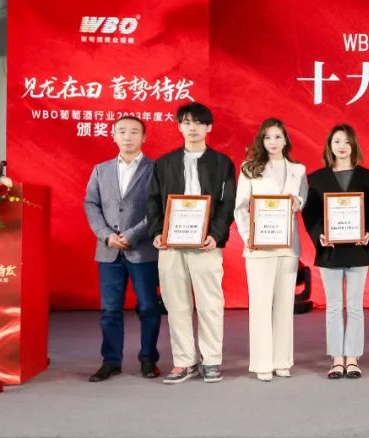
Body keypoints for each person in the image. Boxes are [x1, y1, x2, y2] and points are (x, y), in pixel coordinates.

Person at [146, 102, 236, 384]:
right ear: (179, 127)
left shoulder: (222, 162)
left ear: (209, 127)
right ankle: (184, 362)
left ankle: (211, 360)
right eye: (186, 122)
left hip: (207, 243)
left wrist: (216, 235)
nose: (192, 127)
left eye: (198, 122)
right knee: (176, 304)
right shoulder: (163, 163)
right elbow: (152, 200)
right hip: (171, 245)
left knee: (210, 303)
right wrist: (157, 232)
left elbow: (228, 203)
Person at [302, 124, 369, 380]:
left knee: (355, 306)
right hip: (330, 251)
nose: (342, 146)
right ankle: (337, 359)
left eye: (347, 141)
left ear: (354, 146)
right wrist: (319, 235)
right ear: (330, 146)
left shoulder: (366, 178)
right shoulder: (317, 179)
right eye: (337, 141)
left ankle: (353, 357)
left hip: (358, 250)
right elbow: (310, 214)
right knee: (334, 306)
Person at [82, 115, 160, 382]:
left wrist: (132, 234)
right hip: (108, 250)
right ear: (113, 136)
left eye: (134, 132)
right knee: (110, 310)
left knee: (148, 307)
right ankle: (111, 361)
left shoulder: (155, 169)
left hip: (143, 249)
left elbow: (159, 208)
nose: (128, 136)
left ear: (144, 137)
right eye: (122, 131)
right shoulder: (100, 170)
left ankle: (148, 359)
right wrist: (106, 235)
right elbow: (91, 204)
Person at [233, 118, 308, 382]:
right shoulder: (249, 168)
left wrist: (297, 201)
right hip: (258, 247)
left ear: (286, 140)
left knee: (285, 305)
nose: (273, 142)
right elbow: (240, 207)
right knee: (260, 304)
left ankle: (282, 361)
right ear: (261, 141)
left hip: (288, 247)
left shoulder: (298, 169)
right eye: (267, 137)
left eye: (277, 137)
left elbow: (304, 200)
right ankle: (262, 362)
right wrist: (249, 237)